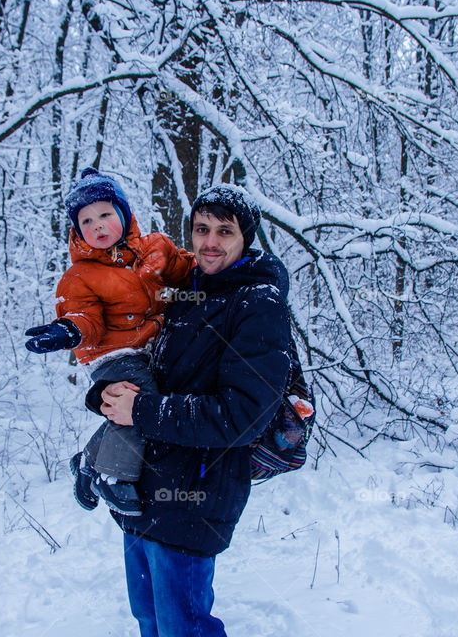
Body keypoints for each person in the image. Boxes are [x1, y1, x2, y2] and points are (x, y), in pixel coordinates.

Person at [91, 183, 292, 636]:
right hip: (143, 493)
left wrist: (140, 410)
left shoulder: (257, 303)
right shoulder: (181, 292)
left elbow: (242, 415)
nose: (210, 242)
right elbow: (142, 366)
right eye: (201, 229)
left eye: (225, 231)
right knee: (151, 621)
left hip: (196, 497)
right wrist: (102, 395)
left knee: (184, 628)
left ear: (246, 239)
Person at [24, 167, 193, 516]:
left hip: (149, 347)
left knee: (137, 405)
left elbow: (187, 270)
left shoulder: (157, 249)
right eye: (86, 221)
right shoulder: (81, 275)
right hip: (109, 354)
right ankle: (113, 477)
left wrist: (219, 269)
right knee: (140, 402)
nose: (97, 225)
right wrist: (67, 330)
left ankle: (87, 462)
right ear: (77, 230)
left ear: (124, 214)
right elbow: (85, 317)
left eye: (104, 214)